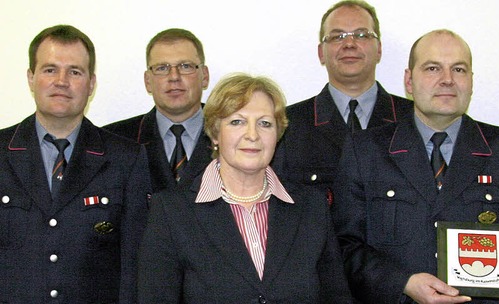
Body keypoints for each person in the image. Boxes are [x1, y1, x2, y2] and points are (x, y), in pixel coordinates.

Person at [331, 29, 499, 303]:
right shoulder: (365, 150)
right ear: (409, 80)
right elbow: (344, 247)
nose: (447, 80)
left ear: (471, 81)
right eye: (432, 68)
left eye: (459, 69)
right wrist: (403, 283)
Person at [137, 73, 353, 303]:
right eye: (237, 121)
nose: (252, 135)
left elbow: (336, 297)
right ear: (215, 132)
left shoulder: (312, 207)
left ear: (277, 135)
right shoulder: (171, 211)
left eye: (265, 123)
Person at [0, 25, 151, 303]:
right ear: (31, 78)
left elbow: (134, 267)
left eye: (75, 71)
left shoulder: (125, 159)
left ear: (91, 83)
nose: (61, 81)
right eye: (49, 70)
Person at [271, 0, 413, 202]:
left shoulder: (412, 119)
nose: (349, 44)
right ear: (321, 52)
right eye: (337, 36)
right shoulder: (288, 125)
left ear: (379, 49)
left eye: (362, 35)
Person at [104, 28, 212, 193]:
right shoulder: (113, 140)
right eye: (162, 68)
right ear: (148, 81)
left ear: (204, 76)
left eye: (185, 66)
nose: (174, 76)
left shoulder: (234, 135)